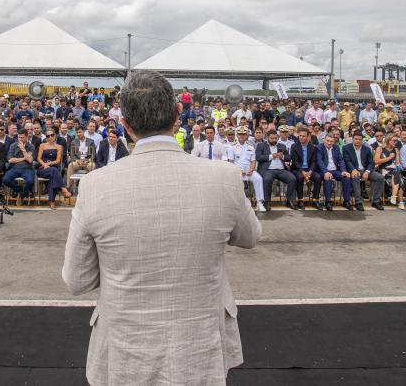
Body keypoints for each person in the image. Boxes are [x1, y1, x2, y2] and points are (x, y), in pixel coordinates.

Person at [62, 70, 260, 385]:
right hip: (201, 345)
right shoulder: (224, 177)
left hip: (125, 348)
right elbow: (250, 237)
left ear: (125, 125)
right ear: (178, 114)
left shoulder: (95, 185)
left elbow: (77, 280)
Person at [256, 130, 297, 210]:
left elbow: (288, 158)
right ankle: (267, 201)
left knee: (292, 179)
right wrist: (272, 156)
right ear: (267, 138)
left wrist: (283, 157)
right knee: (267, 179)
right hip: (268, 170)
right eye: (272, 138)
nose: (274, 140)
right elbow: (258, 157)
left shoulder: (282, 146)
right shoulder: (261, 145)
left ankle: (290, 201)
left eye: (275, 138)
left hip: (281, 170)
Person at [343, 131, 383, 210]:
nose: (358, 141)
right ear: (352, 139)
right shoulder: (346, 148)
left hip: (365, 170)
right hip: (353, 170)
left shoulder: (367, 149)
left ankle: (376, 201)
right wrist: (353, 169)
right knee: (355, 177)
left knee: (380, 178)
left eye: (360, 139)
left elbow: (371, 162)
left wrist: (367, 171)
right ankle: (358, 202)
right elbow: (347, 161)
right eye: (356, 139)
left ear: (362, 140)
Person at [230, 128, 266, 212]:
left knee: (258, 178)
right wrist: (238, 170)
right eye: (240, 134)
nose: (242, 136)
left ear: (246, 135)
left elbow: (253, 161)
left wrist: (252, 169)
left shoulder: (251, 147)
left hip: (249, 170)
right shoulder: (232, 147)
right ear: (237, 135)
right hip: (237, 171)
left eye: (244, 134)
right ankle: (235, 204)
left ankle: (259, 203)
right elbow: (231, 162)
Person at [35, 128, 71, 209]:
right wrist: (44, 164)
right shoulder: (42, 145)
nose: (50, 137)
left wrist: (48, 164)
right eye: (48, 136)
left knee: (53, 174)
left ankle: (52, 202)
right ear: (46, 137)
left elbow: (58, 161)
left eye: (52, 135)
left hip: (53, 168)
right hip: (42, 168)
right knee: (55, 171)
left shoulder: (59, 147)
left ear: (55, 136)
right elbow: (38, 158)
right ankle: (63, 189)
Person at [315, 134, 351, 211]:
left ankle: (346, 201)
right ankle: (328, 201)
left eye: (331, 141)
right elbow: (319, 161)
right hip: (323, 171)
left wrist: (343, 171)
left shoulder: (336, 147)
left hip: (335, 170)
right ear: (324, 140)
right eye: (327, 141)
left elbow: (341, 160)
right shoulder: (319, 147)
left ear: (334, 142)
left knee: (346, 177)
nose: (329, 143)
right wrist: (325, 172)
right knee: (328, 178)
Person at [3, 129, 36, 206]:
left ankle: (21, 196)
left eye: (22, 137)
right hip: (14, 168)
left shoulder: (31, 146)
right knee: (5, 180)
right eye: (19, 137)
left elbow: (30, 160)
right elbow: (10, 160)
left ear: (27, 137)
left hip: (27, 168)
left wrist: (23, 150)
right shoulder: (13, 145)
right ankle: (22, 191)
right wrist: (24, 158)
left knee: (30, 181)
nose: (20, 139)